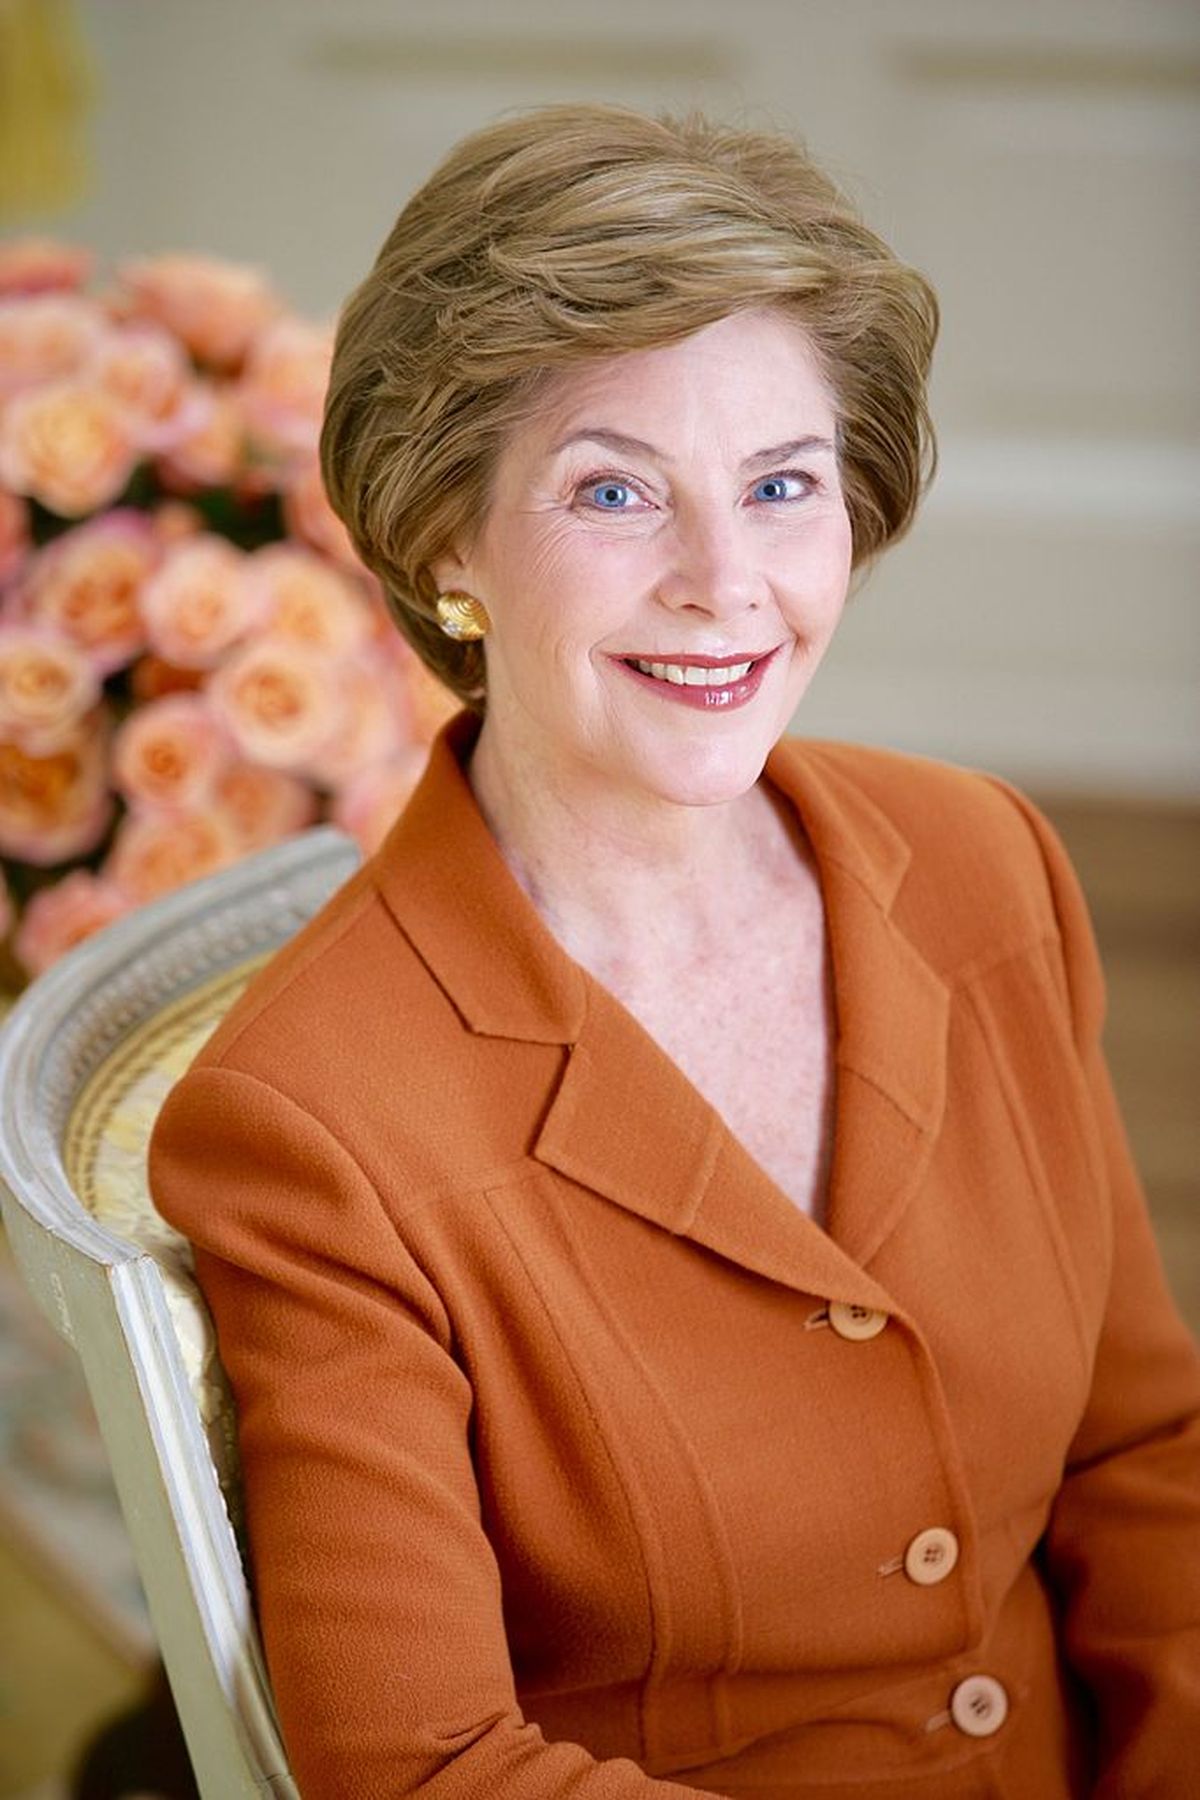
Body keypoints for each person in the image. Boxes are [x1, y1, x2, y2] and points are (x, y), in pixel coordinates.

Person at [148, 104, 1200, 1798]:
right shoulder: (310, 1124)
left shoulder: (982, 863)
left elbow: (1148, 1458)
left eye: (782, 486)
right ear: (446, 541)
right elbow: (424, 1771)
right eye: (615, 490)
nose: (728, 584)